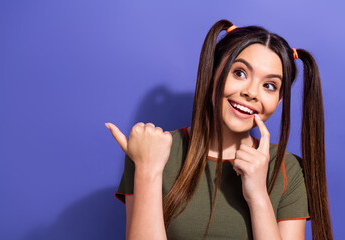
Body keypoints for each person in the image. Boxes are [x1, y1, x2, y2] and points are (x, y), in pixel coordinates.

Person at [106, 19, 333, 239]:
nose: (252, 92)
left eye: (269, 86)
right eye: (240, 73)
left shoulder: (288, 168)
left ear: (279, 100)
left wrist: (258, 196)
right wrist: (147, 169)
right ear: (212, 72)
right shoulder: (152, 150)